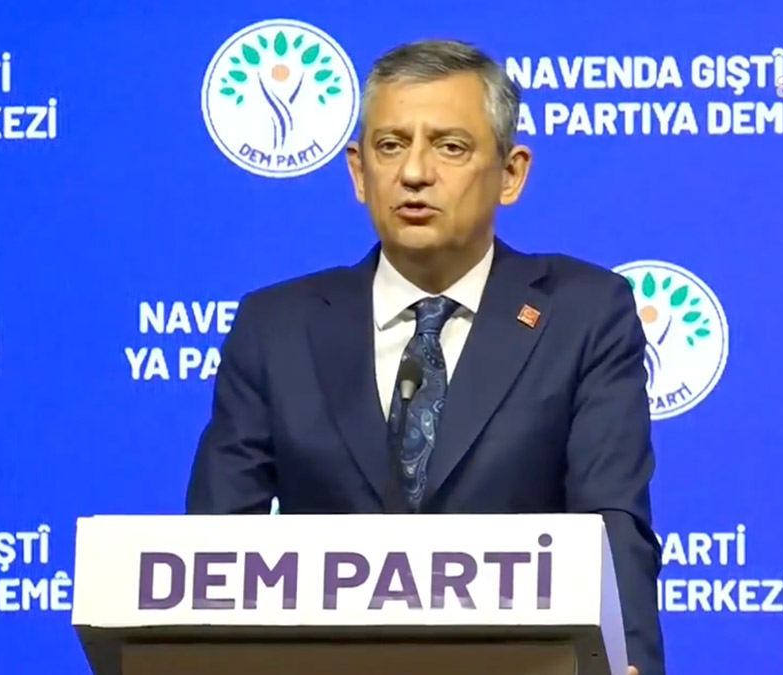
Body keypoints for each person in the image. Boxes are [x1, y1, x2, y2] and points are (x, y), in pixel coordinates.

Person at [187, 39, 664, 675]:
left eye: (450, 147)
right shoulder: (275, 327)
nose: (414, 172)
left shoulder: (583, 313)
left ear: (512, 173)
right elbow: (216, 546)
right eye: (390, 146)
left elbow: (612, 523)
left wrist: (627, 662)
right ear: (359, 172)